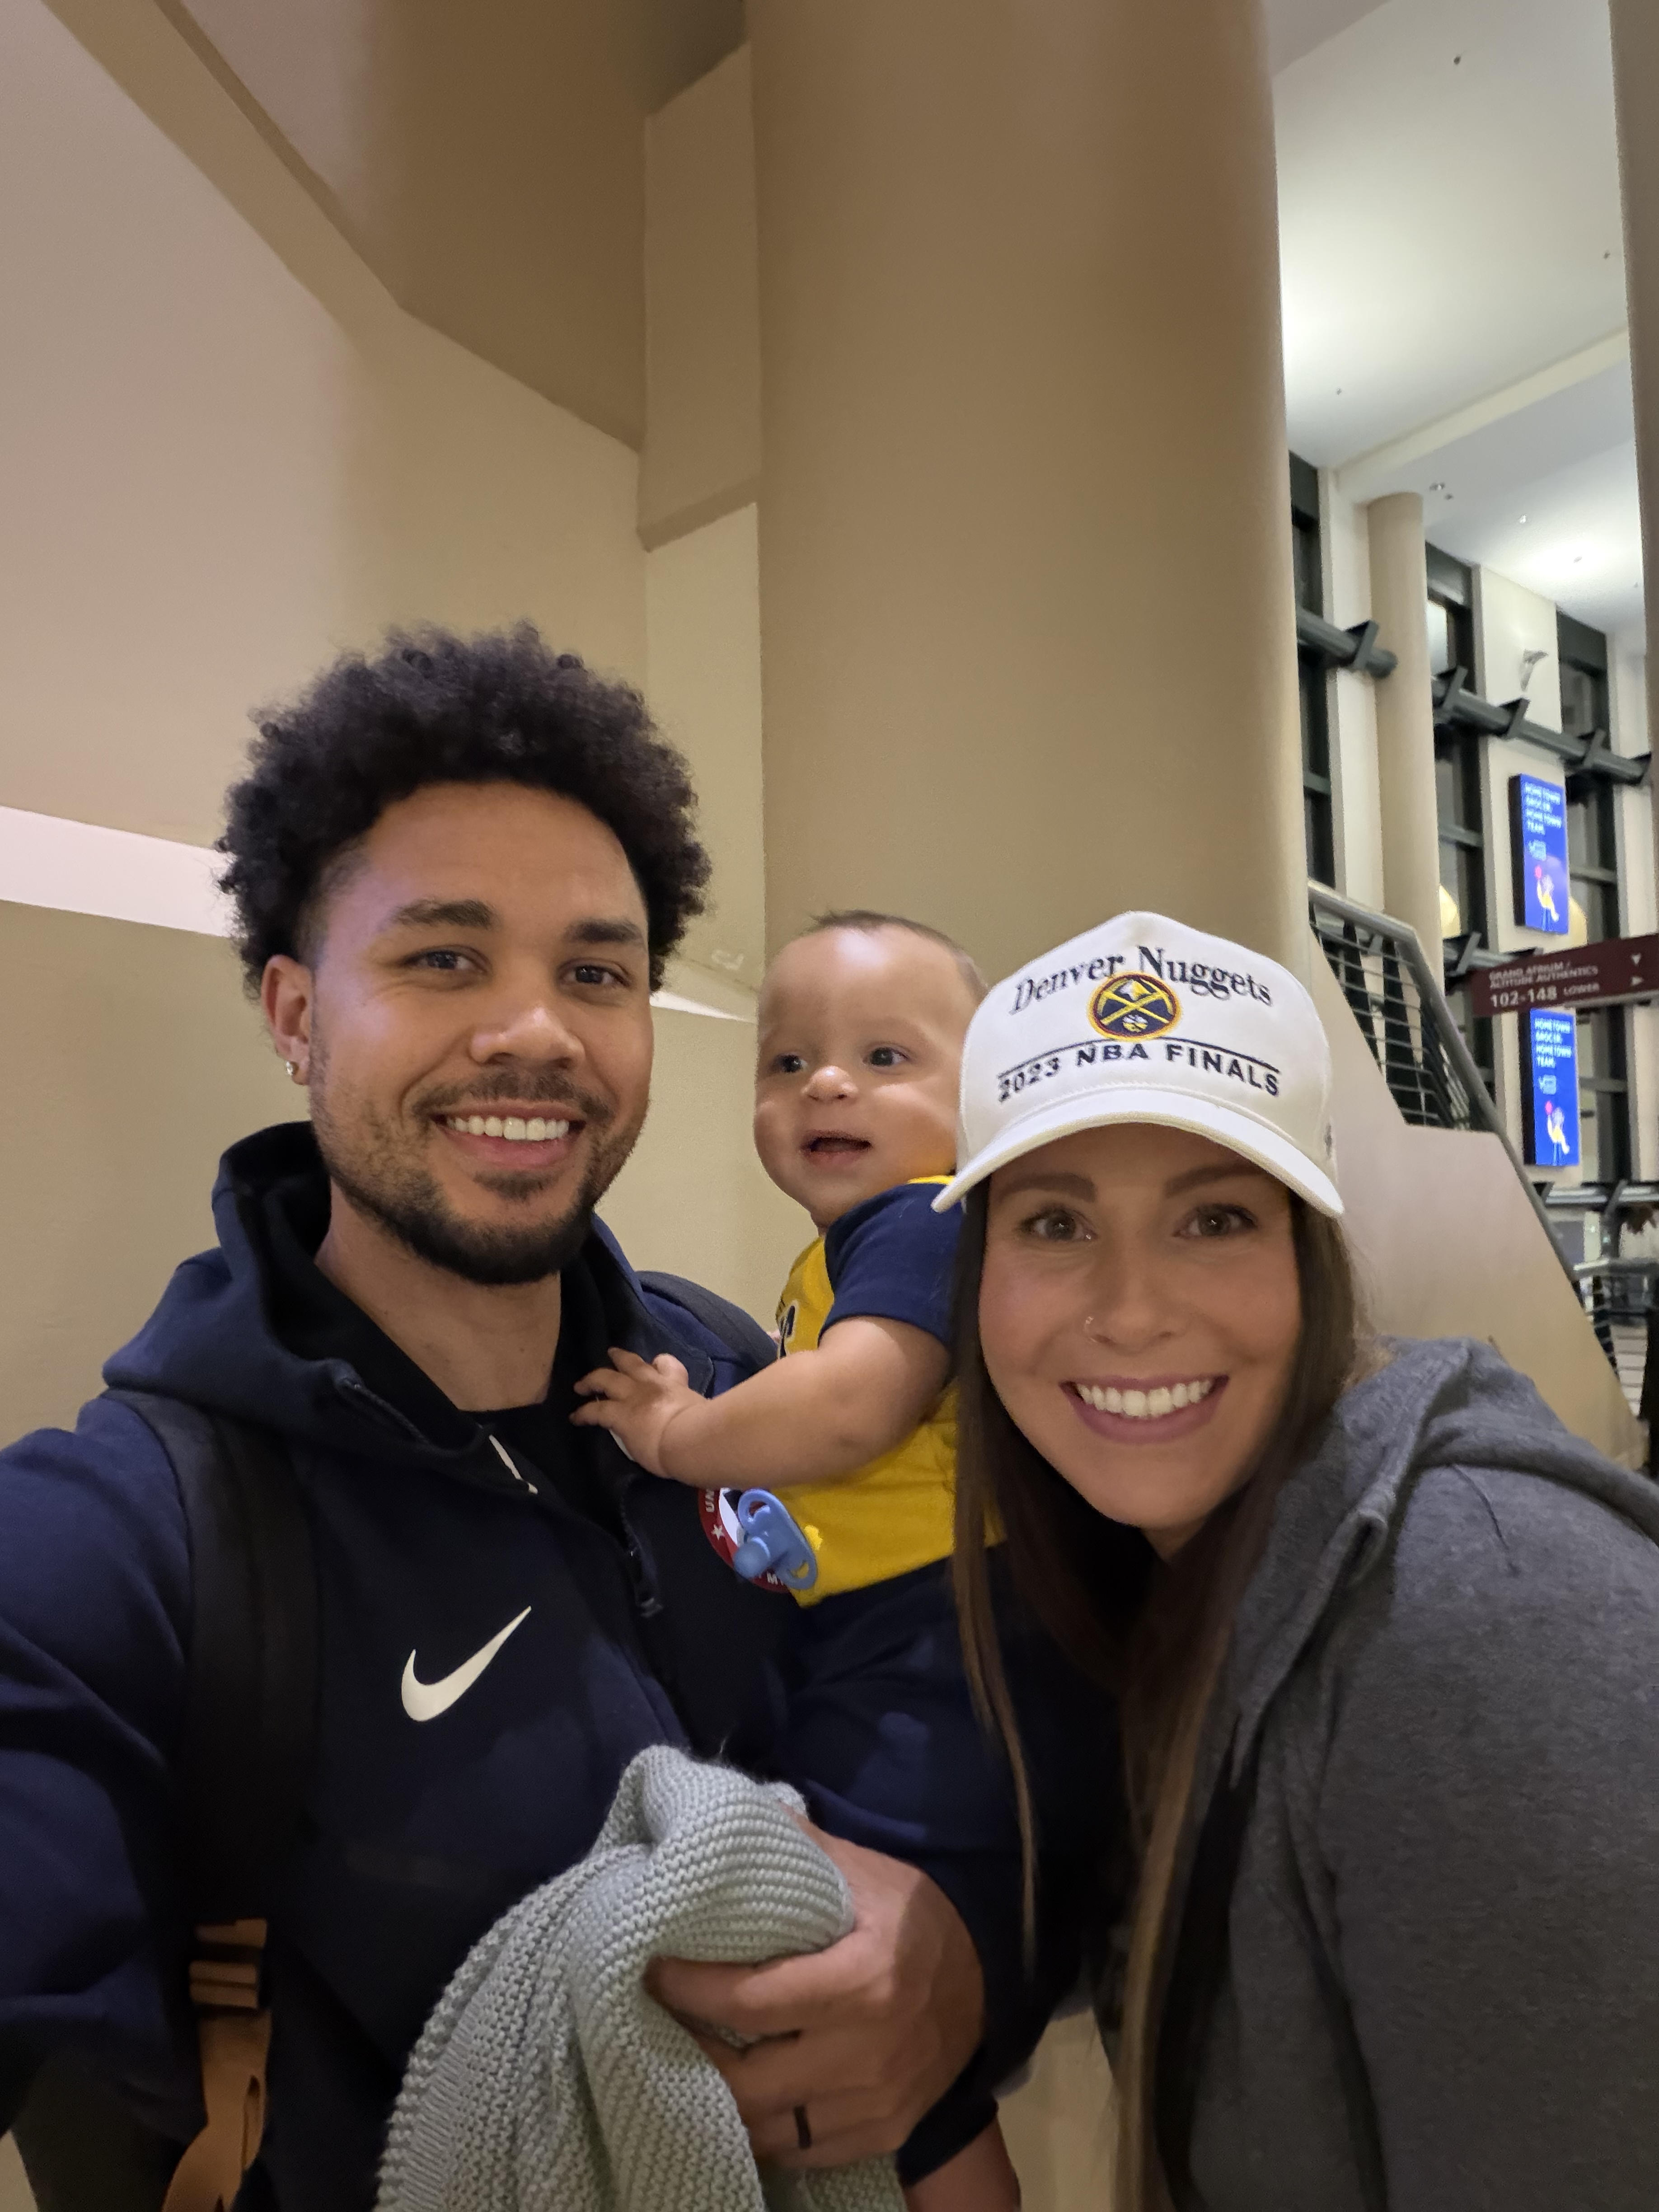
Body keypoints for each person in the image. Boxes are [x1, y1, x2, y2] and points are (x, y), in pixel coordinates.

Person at [0, 629, 1113, 2211]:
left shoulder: (726, 1372)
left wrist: (959, 1960)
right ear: (297, 1012)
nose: (538, 1029)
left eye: (595, 971)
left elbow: (983, 1719)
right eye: (444, 957)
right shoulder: (114, 1543)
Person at [934, 907, 1659, 2211]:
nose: (1135, 1308)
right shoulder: (1167, 1587)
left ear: (1308, 1258)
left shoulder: (1480, 1612)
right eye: (1054, 1224)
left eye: (1213, 1219)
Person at [572, 909, 982, 1600]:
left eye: (883, 1057)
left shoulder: (924, 1217)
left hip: (934, 1611)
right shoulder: (869, 1239)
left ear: (981, 1095)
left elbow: (851, 1404)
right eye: (788, 1062)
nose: (824, 1083)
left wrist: (678, 1433)